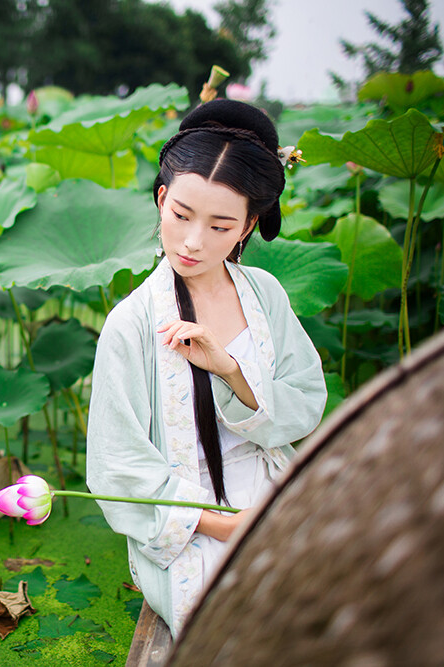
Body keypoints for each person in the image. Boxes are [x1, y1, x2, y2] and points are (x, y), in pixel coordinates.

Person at [86, 99, 327, 638]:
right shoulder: (130, 324)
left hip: (270, 480)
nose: (194, 242)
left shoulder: (265, 293)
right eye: (181, 216)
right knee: (249, 628)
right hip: (187, 516)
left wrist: (230, 370)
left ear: (248, 227)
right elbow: (117, 467)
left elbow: (306, 399)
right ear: (161, 197)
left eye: (220, 226)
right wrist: (224, 526)